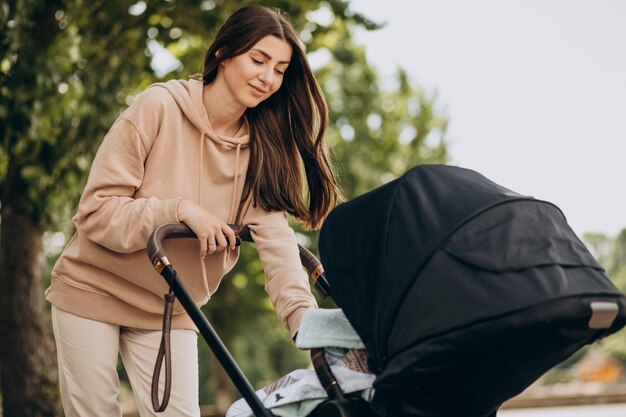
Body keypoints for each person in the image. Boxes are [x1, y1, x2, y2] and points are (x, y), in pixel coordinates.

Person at [45, 5, 340, 416]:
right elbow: (97, 212)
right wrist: (180, 211)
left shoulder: (264, 153)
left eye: (280, 69)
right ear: (223, 52)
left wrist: (310, 331)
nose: (268, 78)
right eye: (258, 60)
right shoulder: (158, 107)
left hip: (173, 307)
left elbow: (280, 251)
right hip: (94, 290)